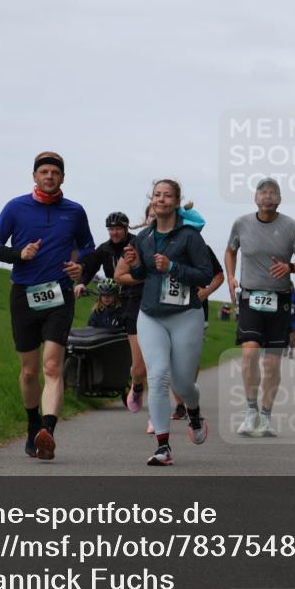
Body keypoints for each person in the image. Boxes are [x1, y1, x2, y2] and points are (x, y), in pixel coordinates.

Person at [0, 151, 95, 461]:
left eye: (55, 173)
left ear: (62, 178)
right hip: (24, 295)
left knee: (51, 366)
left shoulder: (74, 212)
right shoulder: (15, 208)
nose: (49, 177)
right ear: (34, 176)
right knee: (30, 371)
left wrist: (81, 270)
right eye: (44, 172)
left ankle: (48, 431)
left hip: (59, 295)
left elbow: (87, 248)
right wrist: (20, 254)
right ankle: (33, 423)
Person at [123, 179, 213, 466]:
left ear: (176, 202)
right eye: (157, 195)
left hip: (186, 315)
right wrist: (135, 261)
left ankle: (194, 411)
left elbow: (205, 274)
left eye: (167, 196)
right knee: (158, 376)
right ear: (152, 200)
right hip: (150, 314)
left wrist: (173, 267)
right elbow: (141, 274)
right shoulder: (144, 238)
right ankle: (163, 447)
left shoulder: (190, 237)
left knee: (183, 383)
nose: (161, 199)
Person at [225, 177, 295, 437]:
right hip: (250, 297)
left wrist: (291, 267)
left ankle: (266, 415)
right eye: (262, 192)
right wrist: (231, 278)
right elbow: (230, 251)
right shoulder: (241, 223)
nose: (267, 196)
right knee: (250, 354)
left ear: (279, 199)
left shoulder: (290, 226)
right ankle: (250, 410)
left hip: (280, 300)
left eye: (273, 192)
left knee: (272, 365)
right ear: (255, 198)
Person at [78, 211, 146, 410]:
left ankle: (136, 376)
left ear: (126, 228)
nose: (114, 232)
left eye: (118, 229)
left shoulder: (136, 243)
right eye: (111, 229)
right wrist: (81, 283)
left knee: (133, 338)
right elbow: (90, 266)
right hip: (115, 295)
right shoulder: (105, 249)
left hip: (136, 295)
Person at [171, 243, 225, 421]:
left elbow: (219, 275)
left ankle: (189, 397)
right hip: (169, 309)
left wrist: (207, 291)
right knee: (171, 358)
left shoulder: (203, 248)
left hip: (197, 309)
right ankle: (180, 405)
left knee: (191, 359)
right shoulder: (163, 244)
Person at [284, 284, 295, 359]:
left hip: (294, 319)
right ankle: (285, 347)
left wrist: (294, 306)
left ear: (292, 286)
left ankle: (291, 351)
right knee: (285, 336)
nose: (289, 288)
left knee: (294, 337)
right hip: (285, 319)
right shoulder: (283, 293)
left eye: (290, 286)